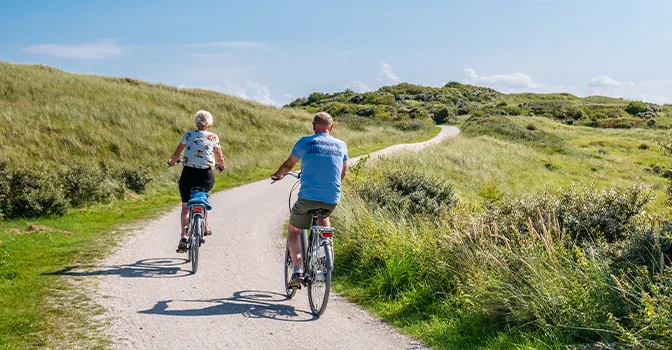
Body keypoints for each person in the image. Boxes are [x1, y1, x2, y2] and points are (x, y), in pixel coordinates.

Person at [271, 112, 349, 286]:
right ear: (332, 127)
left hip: (307, 198)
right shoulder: (341, 145)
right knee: (323, 216)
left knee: (294, 230)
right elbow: (344, 171)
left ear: (313, 126)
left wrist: (277, 175)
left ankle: (298, 269)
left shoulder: (305, 142)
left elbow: (288, 165)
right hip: (331, 199)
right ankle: (325, 245)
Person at [168, 110, 226, 253]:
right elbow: (219, 155)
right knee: (203, 196)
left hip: (188, 175)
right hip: (206, 176)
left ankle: (184, 235)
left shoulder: (188, 134)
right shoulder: (213, 136)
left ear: (197, 123)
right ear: (209, 124)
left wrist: (172, 161)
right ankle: (205, 225)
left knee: (185, 207)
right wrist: (221, 165)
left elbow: (177, 152)